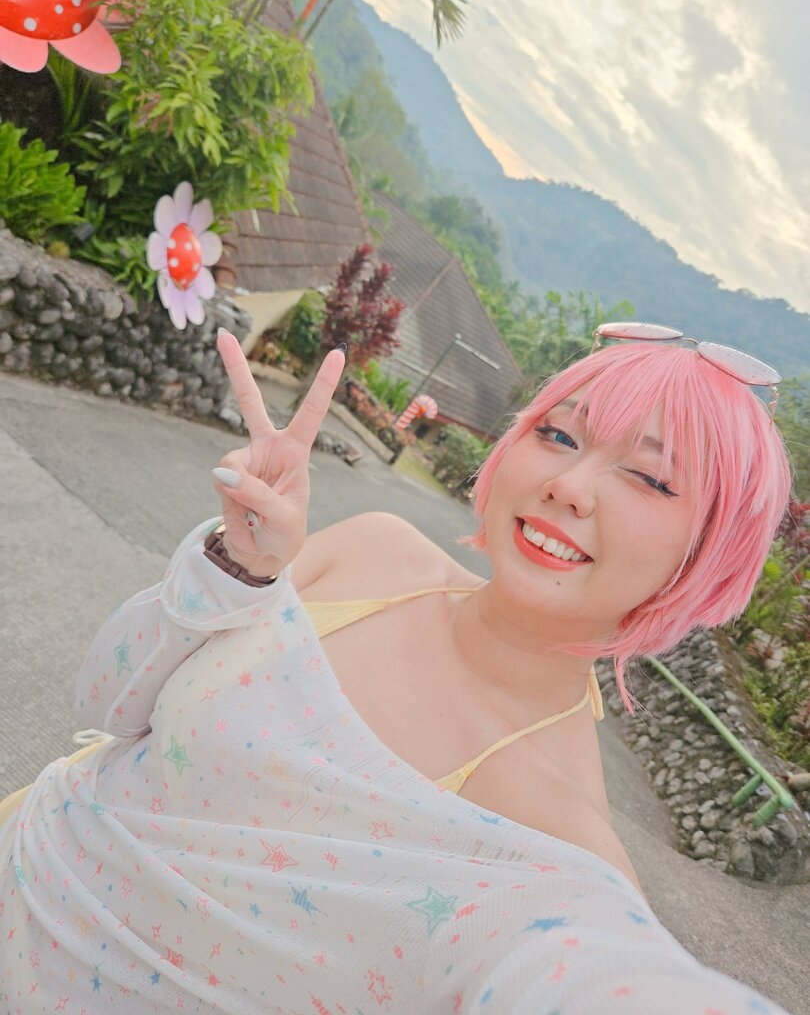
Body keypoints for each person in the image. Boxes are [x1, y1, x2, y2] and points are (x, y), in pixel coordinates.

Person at [0, 324, 794, 1014]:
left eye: (651, 478)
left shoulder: (567, 855)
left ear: (706, 555)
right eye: (559, 435)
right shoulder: (372, 551)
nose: (569, 486)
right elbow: (105, 700)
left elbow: (592, 979)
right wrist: (232, 568)